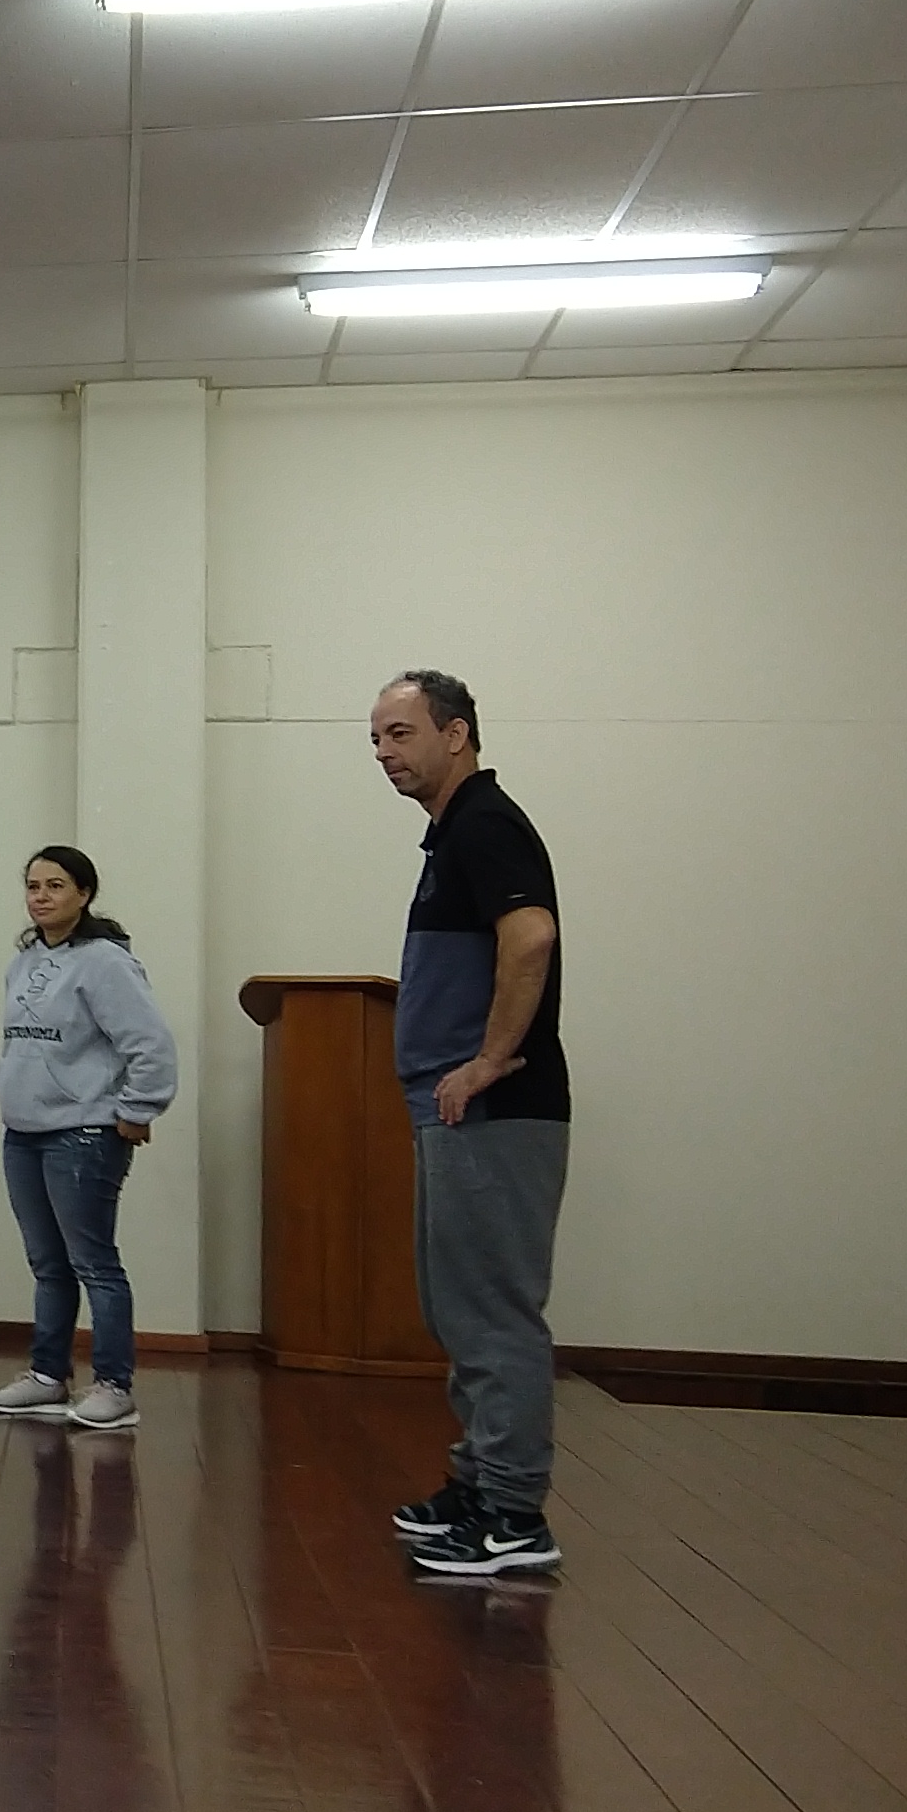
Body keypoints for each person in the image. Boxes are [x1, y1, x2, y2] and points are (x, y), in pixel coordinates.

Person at [370, 669, 571, 1579]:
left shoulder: (486, 823)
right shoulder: (452, 833)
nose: (385, 753)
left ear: (456, 734)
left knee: (493, 1313)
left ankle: (515, 1515)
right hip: (455, 1111)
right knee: (459, 1309)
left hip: (495, 1108)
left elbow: (531, 937)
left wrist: (487, 1061)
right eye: (377, 739)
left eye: (401, 733)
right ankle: (480, 1481)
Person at [0, 846, 179, 1434]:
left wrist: (138, 1108)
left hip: (84, 1132)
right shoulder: (24, 961)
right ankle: (48, 1375)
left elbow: (150, 1043)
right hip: (24, 1132)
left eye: (56, 886)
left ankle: (115, 1386)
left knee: (95, 1262)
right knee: (48, 1264)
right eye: (33, 886)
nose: (41, 897)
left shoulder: (104, 962)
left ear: (84, 894)